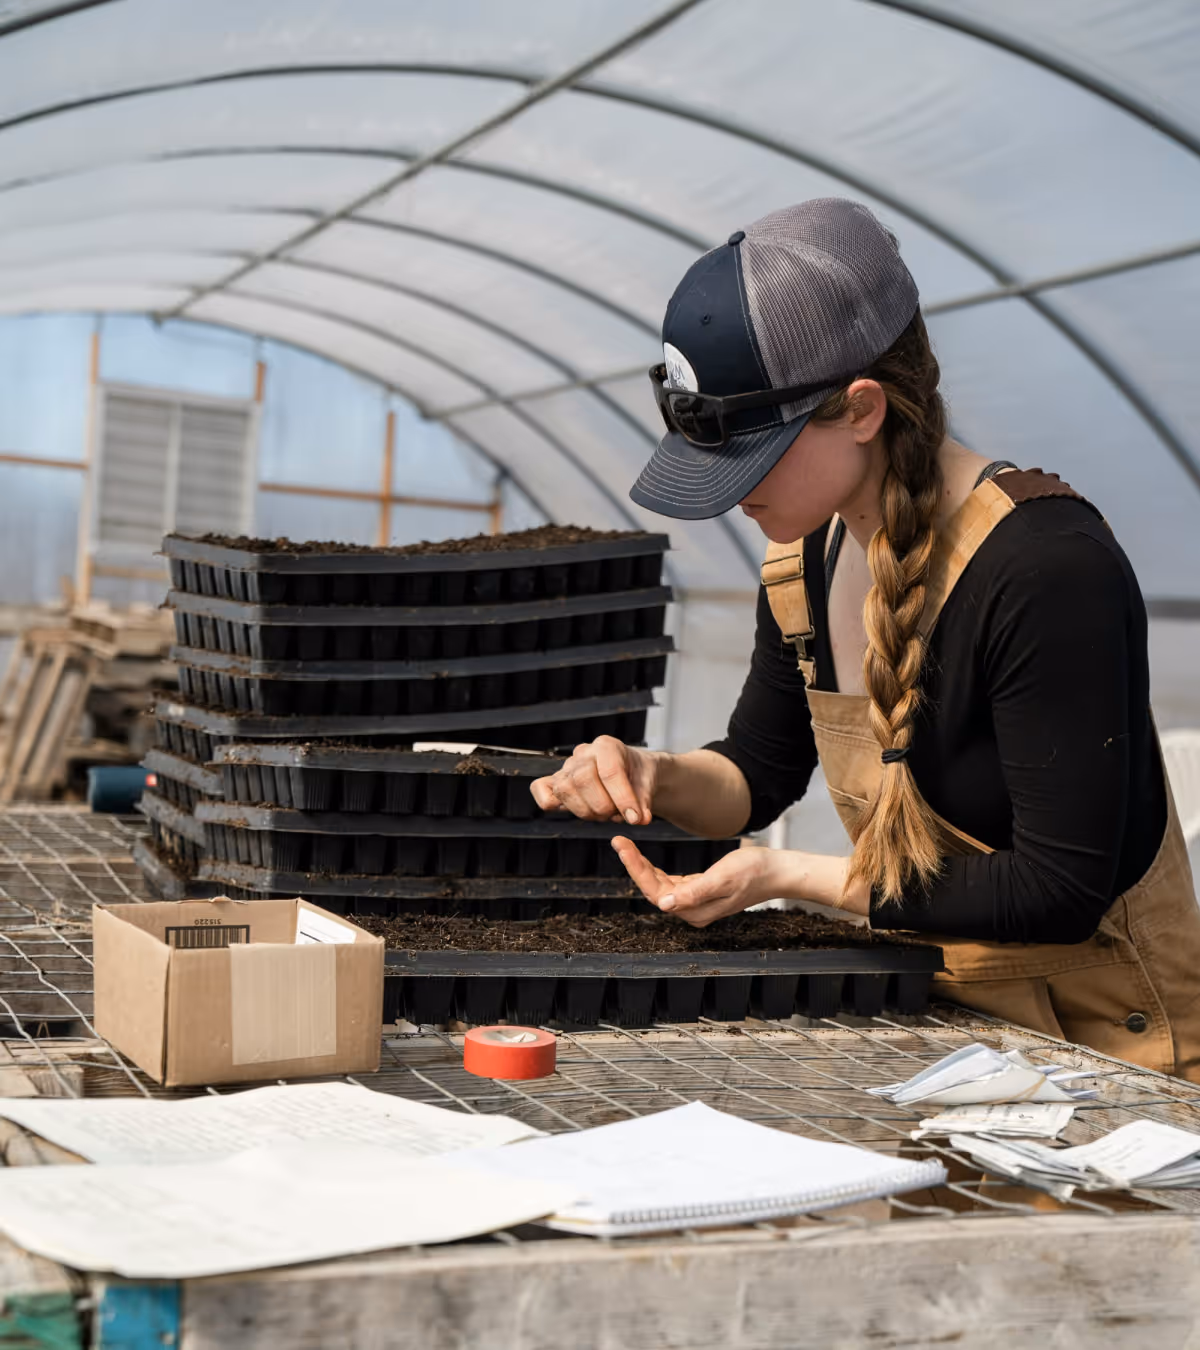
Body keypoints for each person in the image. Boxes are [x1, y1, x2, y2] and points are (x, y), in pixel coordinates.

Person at [531, 198, 1200, 1080]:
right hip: (953, 1040)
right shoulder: (809, 550)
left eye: (754, 458)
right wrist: (655, 775)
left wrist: (789, 878)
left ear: (860, 408)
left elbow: (1059, 890)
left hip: (1116, 1062)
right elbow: (755, 774)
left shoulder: (1043, 566)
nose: (735, 497)